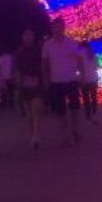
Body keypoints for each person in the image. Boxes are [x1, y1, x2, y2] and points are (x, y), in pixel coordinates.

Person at [42, 18, 84, 146]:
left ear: (63, 28)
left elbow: (79, 60)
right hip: (56, 81)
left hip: (71, 79)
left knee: (75, 108)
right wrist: (45, 79)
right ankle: (64, 134)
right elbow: (44, 64)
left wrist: (82, 76)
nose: (57, 29)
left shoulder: (71, 43)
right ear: (52, 29)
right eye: (55, 27)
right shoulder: (47, 45)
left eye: (60, 27)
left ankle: (74, 129)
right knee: (59, 110)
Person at [15, 29, 44, 149]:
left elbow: (42, 65)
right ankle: (32, 135)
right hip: (24, 84)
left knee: (36, 110)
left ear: (33, 36)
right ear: (22, 37)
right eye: (25, 34)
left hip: (37, 83)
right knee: (29, 113)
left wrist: (43, 79)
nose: (27, 37)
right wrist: (18, 82)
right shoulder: (19, 52)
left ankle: (36, 136)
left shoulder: (39, 50)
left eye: (30, 34)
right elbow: (17, 68)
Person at [80, 42, 99, 124]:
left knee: (86, 98)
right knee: (94, 96)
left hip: (84, 78)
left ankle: (88, 115)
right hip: (93, 78)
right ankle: (94, 112)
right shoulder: (93, 53)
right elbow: (97, 66)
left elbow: (79, 67)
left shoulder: (79, 53)